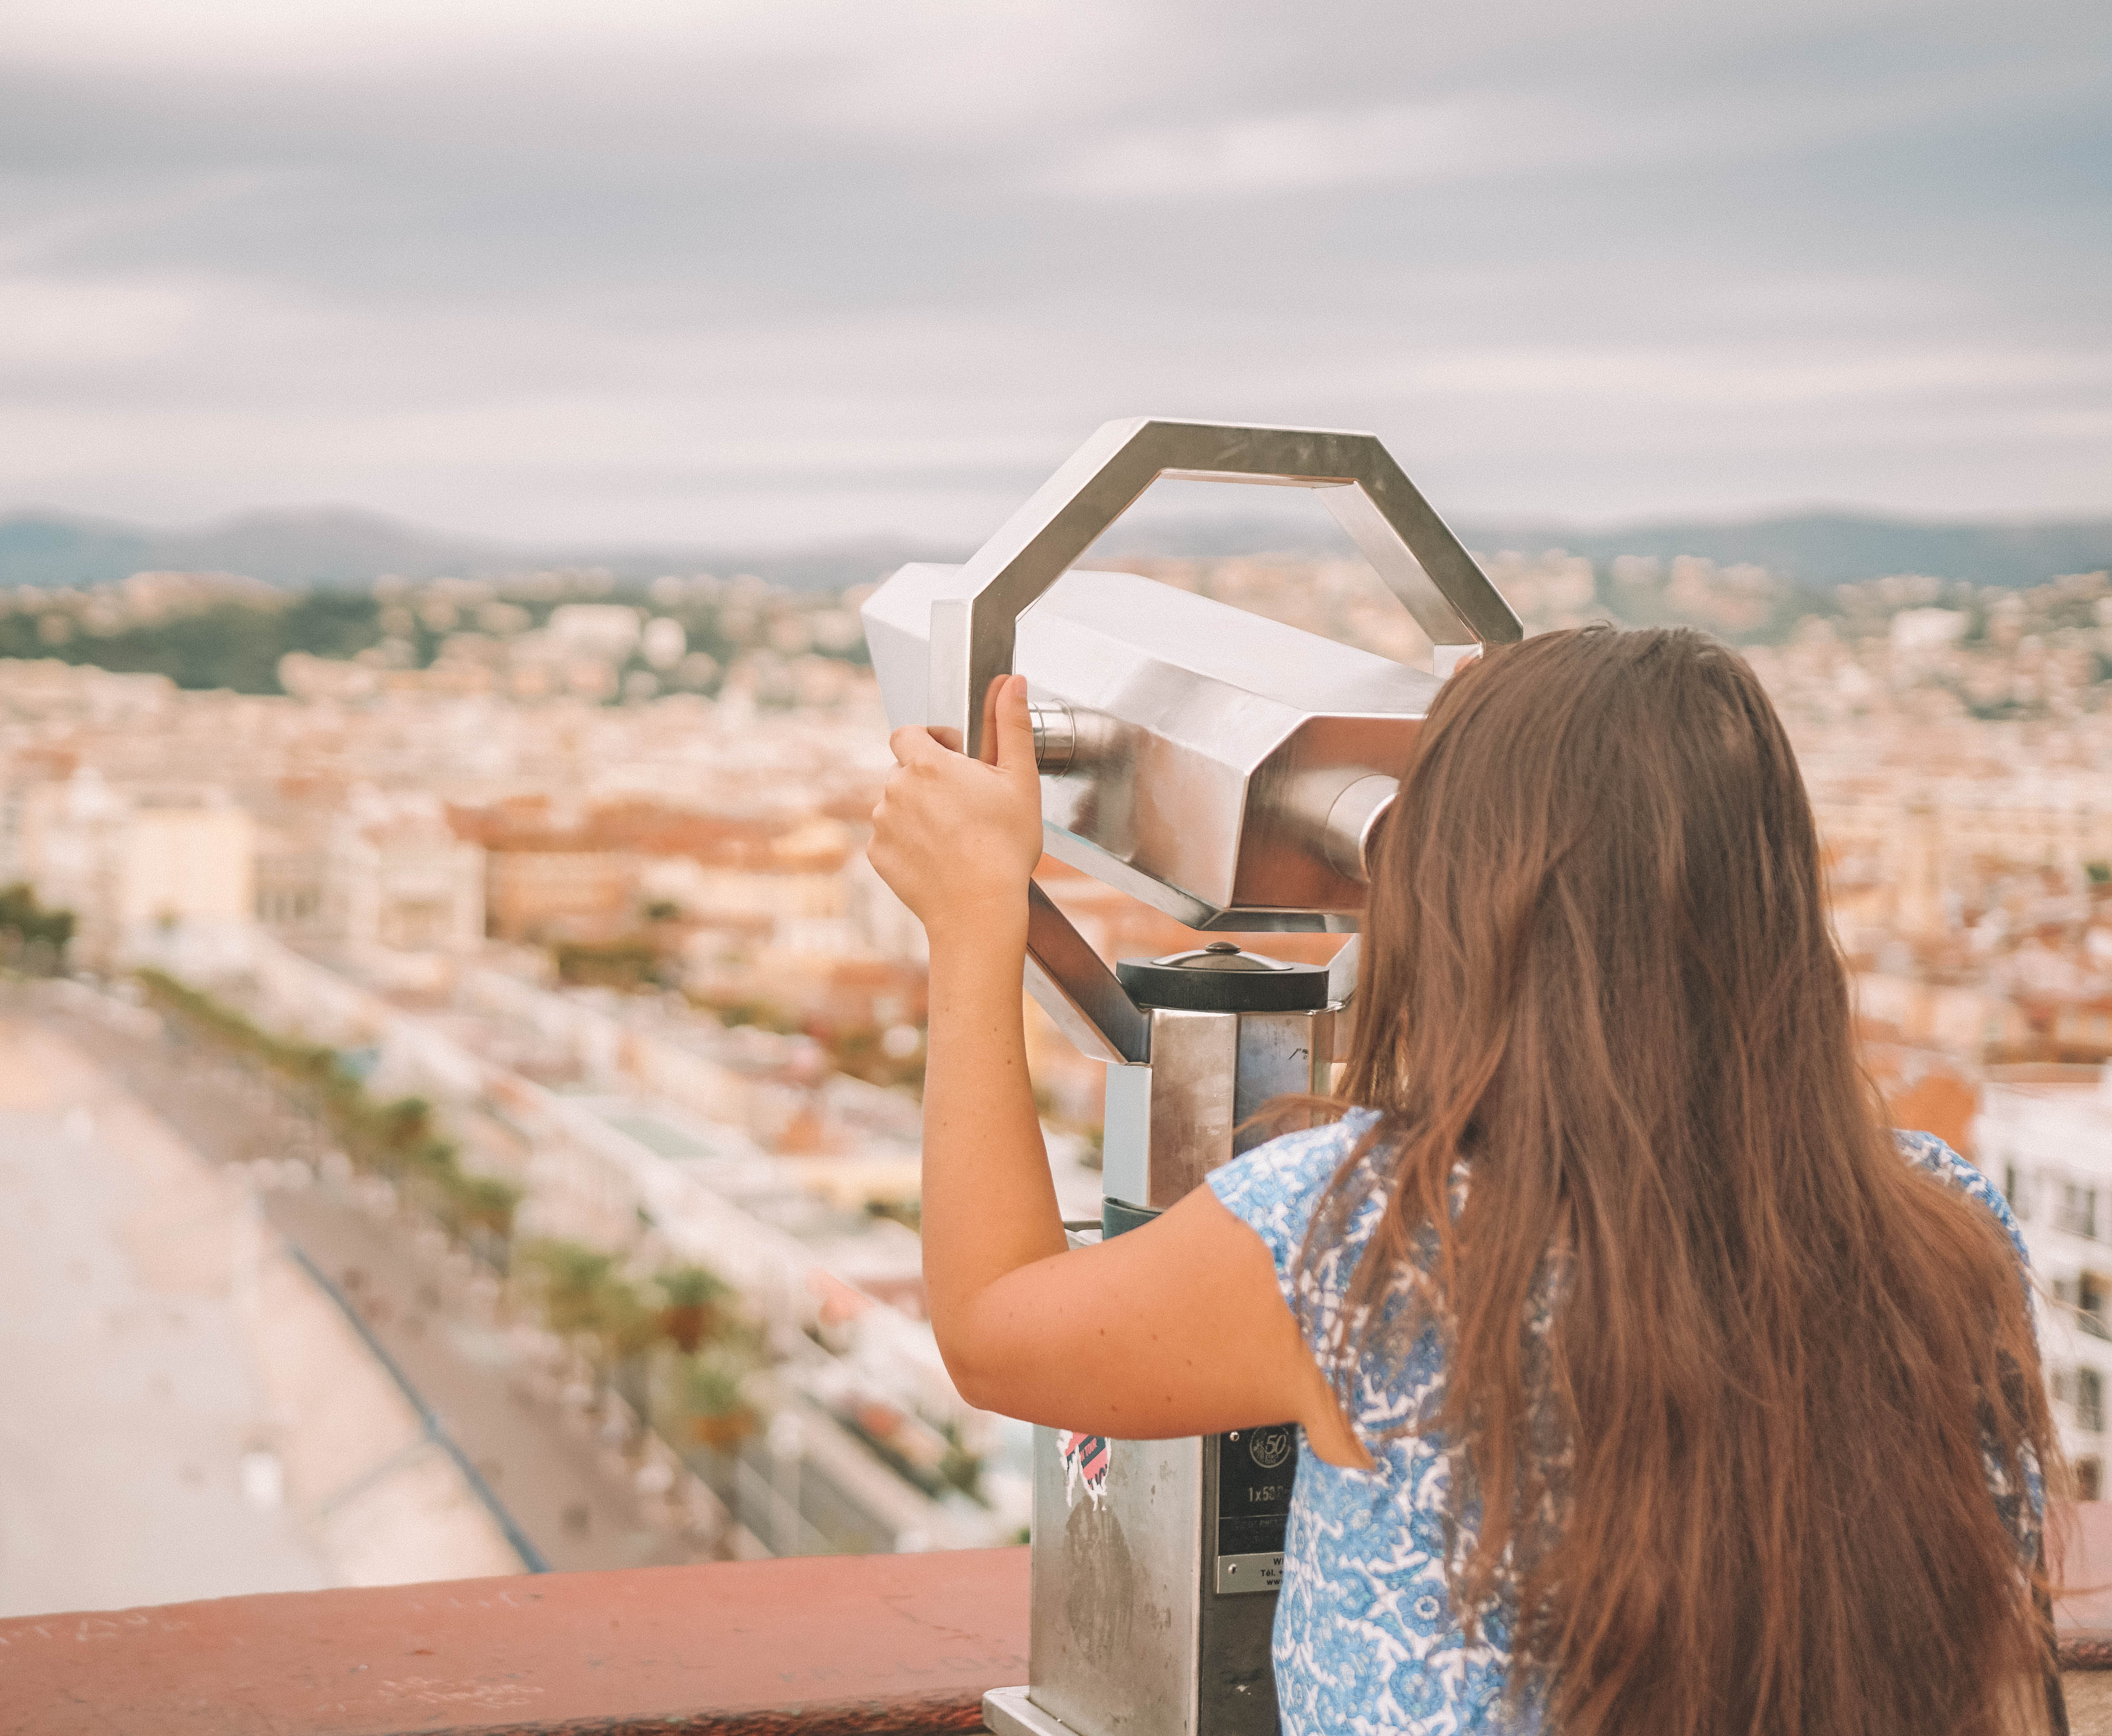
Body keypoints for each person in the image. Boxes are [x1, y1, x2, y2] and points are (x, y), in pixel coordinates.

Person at [866, 626, 2061, 1736]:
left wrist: (978, 923)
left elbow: (991, 1327)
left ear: (1458, 902)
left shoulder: (1372, 1240)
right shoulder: (1950, 1226)